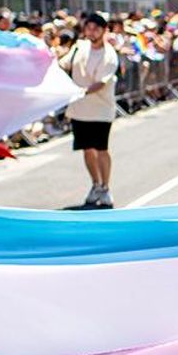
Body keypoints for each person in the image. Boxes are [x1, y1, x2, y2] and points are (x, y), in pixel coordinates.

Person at [60, 12, 120, 208]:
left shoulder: (109, 54)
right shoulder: (79, 47)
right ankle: (95, 184)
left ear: (104, 30)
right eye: (89, 28)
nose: (92, 32)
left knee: (101, 149)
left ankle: (106, 187)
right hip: (79, 109)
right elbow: (64, 64)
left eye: (96, 29)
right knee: (87, 150)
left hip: (101, 110)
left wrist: (82, 91)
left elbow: (101, 83)